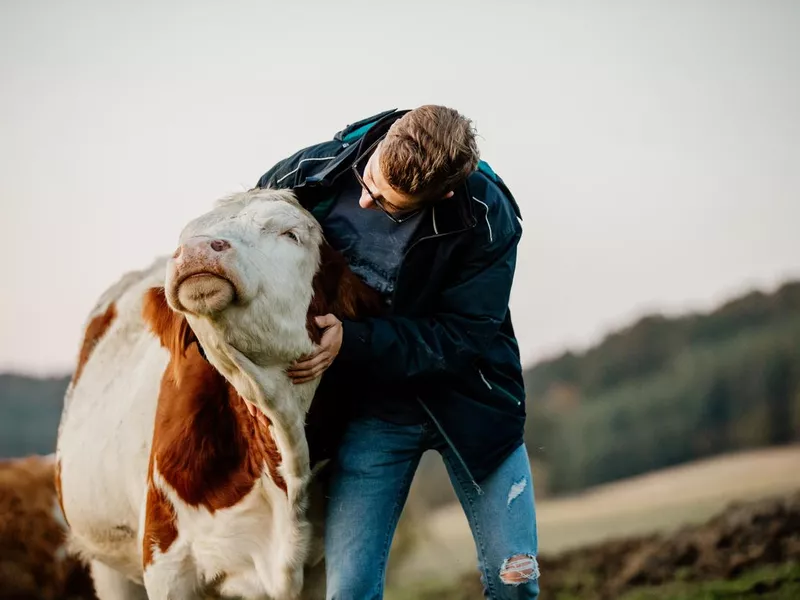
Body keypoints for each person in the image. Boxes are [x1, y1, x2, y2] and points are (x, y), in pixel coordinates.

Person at [256, 106, 539, 599]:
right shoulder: (313, 172)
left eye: (389, 205)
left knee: (516, 580)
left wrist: (352, 340)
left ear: (444, 195)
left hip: (473, 405)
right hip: (374, 411)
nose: (365, 201)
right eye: (369, 180)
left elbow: (460, 336)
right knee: (349, 593)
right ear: (383, 142)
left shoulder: (489, 218)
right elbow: (249, 231)